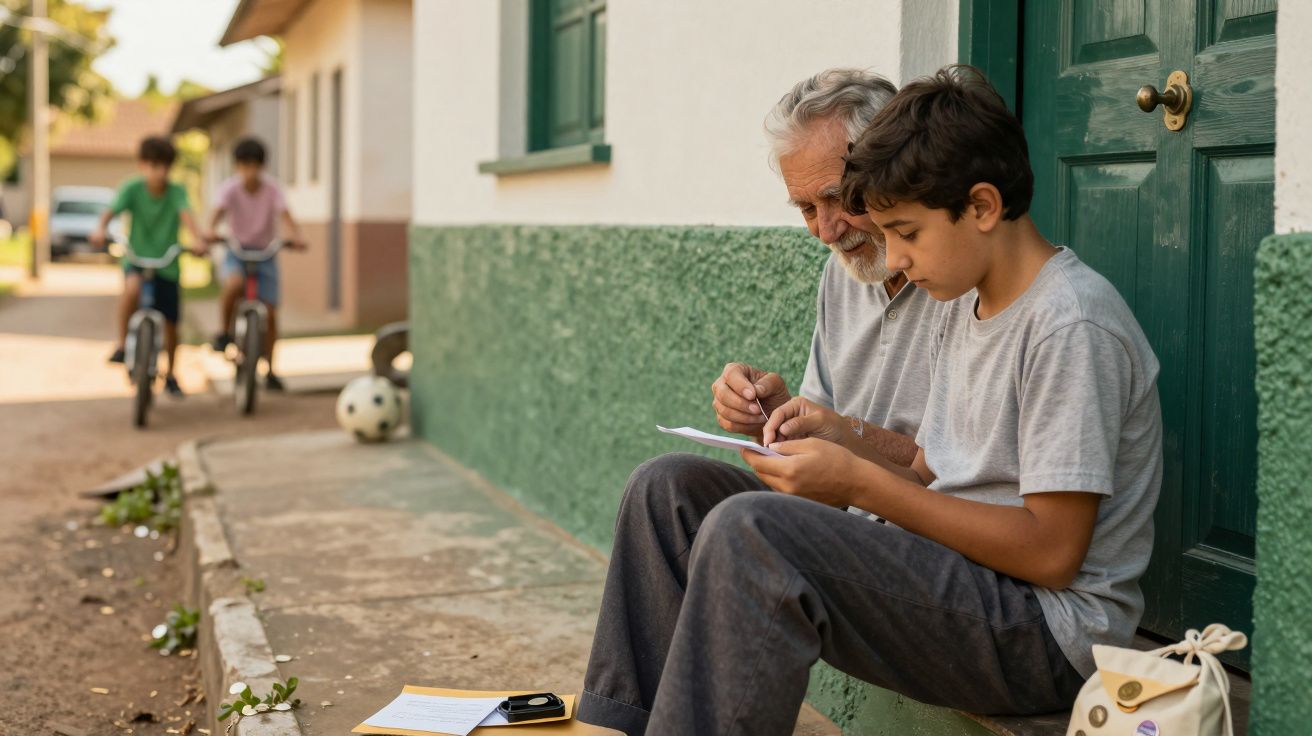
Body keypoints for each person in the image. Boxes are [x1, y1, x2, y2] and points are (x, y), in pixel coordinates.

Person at [578, 65, 1164, 736]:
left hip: (1046, 632)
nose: (896, 257)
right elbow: (927, 468)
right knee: (668, 490)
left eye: (906, 233)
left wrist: (859, 481)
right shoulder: (967, 298)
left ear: (981, 208)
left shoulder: (1070, 324)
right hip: (958, 577)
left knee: (753, 533)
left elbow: (1052, 555)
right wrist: (832, 443)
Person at [577, 69, 952, 733]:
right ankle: (616, 726)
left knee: (748, 530)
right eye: (805, 209)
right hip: (850, 528)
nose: (825, 230)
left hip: (926, 552)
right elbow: (825, 460)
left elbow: (952, 473)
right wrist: (774, 418)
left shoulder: (959, 279)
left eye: (837, 199)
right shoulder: (843, 279)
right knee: (665, 489)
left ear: (893, 169)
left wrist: (841, 438)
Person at [92, 136, 204, 398]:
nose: (159, 173)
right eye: (154, 166)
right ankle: (123, 345)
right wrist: (100, 228)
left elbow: (186, 215)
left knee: (171, 323)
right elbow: (112, 210)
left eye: (165, 167)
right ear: (143, 165)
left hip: (167, 264)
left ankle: (172, 373)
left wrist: (197, 239)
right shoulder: (132, 188)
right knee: (131, 291)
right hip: (137, 259)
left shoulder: (176, 192)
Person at [206, 137, 306, 391]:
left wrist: (296, 236)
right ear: (237, 167)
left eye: (254, 166)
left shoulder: (272, 189)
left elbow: (285, 214)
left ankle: (270, 369)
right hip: (237, 250)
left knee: (270, 312)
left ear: (262, 167)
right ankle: (224, 332)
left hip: (265, 252)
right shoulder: (230, 189)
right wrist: (211, 231)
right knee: (234, 285)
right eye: (244, 166)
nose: (250, 172)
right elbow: (217, 213)